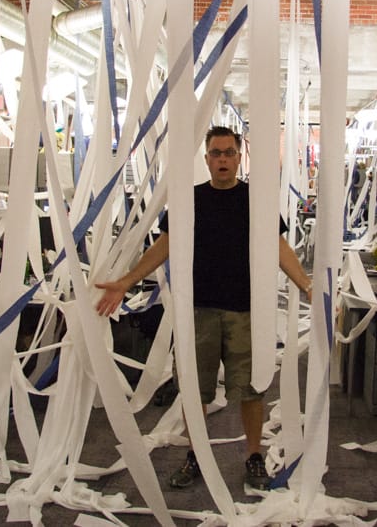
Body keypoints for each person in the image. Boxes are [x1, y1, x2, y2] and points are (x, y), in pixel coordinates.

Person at [94, 126, 312, 490]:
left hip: (245, 312)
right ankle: (196, 455)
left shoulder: (255, 200)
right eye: (216, 153)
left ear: (239, 157)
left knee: (252, 389)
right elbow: (163, 247)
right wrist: (126, 281)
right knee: (195, 392)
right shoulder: (189, 200)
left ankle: (254, 455)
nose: (223, 159)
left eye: (229, 153)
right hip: (199, 313)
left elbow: (277, 247)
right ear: (207, 158)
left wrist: (304, 283)